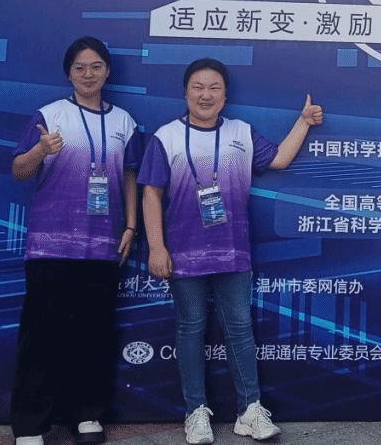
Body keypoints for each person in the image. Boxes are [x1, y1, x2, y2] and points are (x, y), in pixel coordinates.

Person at [138, 58, 323, 444]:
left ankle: (249, 411)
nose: (205, 95)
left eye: (214, 88)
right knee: (191, 329)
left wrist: (303, 122)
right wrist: (156, 247)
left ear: (225, 95)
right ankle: (195, 412)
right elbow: (151, 193)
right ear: (185, 92)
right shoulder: (166, 136)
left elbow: (278, 159)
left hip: (233, 251)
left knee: (239, 329)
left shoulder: (241, 132)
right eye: (198, 87)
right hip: (184, 252)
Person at [9, 37, 141, 445]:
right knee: (42, 336)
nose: (88, 74)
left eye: (96, 66)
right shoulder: (50, 115)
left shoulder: (124, 122)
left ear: (108, 71)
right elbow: (18, 170)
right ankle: (30, 426)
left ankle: (87, 415)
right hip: (50, 245)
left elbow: (130, 175)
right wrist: (39, 150)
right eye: (80, 67)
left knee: (94, 335)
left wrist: (131, 226)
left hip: (103, 246)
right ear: (69, 73)